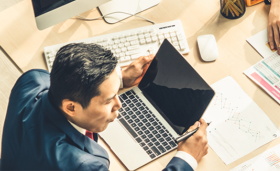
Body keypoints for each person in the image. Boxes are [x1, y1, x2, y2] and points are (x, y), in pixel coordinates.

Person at [0, 43, 209, 171]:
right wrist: (186, 158)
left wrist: (119, 80)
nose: (119, 104)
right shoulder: (84, 165)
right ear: (71, 108)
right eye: (109, 100)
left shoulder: (32, 80)